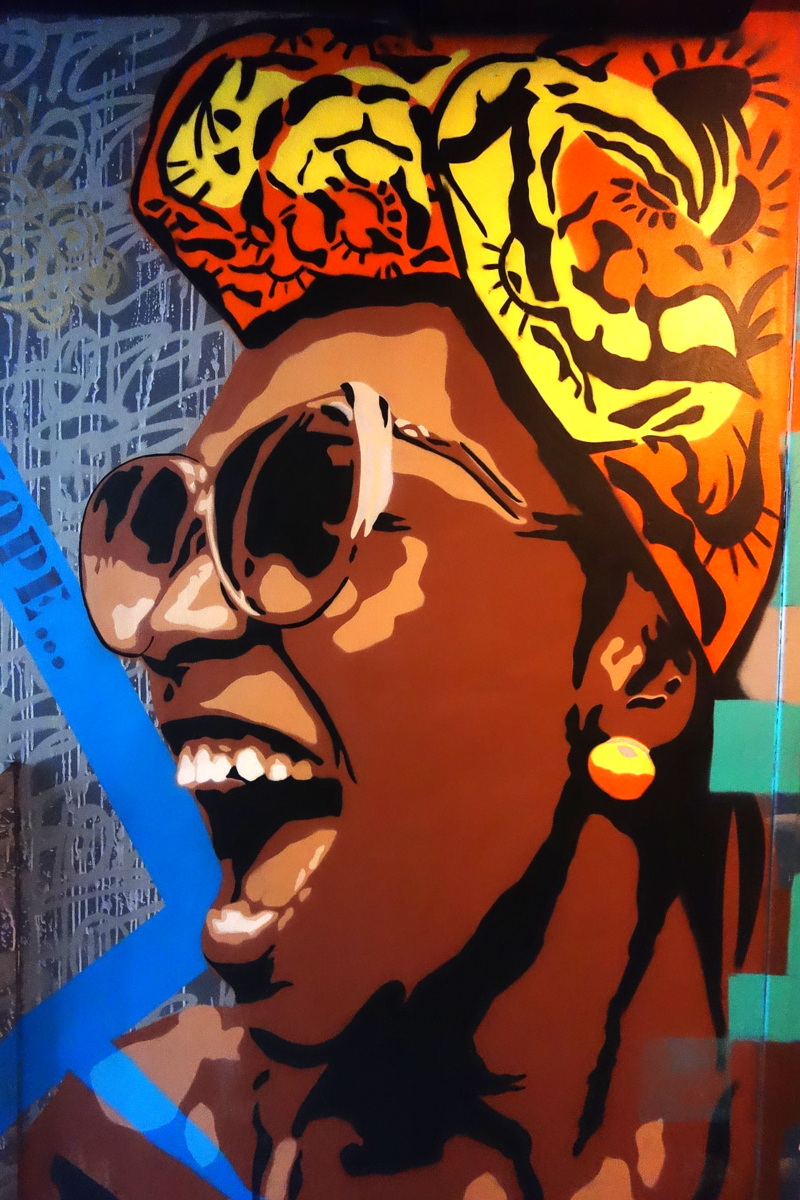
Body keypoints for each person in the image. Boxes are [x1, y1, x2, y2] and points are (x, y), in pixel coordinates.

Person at [21, 19, 799, 1200]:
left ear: (633, 659)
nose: (174, 619)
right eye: (161, 522)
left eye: (305, 500)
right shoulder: (121, 1157)